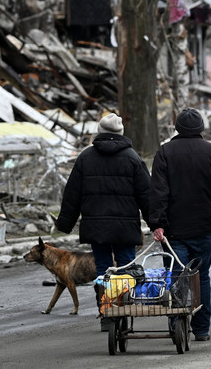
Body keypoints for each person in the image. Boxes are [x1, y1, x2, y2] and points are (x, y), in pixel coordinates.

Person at [149, 108, 211, 342]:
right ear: (201, 128)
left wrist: (157, 223)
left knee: (176, 275)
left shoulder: (165, 152)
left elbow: (158, 191)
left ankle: (176, 323)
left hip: (173, 230)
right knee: (201, 276)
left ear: (177, 128)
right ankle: (202, 329)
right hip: (204, 226)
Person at [56, 112, 151, 279]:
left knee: (103, 270)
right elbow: (146, 194)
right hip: (125, 228)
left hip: (96, 226)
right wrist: (155, 222)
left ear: (99, 131)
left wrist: (65, 223)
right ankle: (124, 304)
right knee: (127, 268)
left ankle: (104, 304)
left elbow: (72, 193)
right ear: (121, 132)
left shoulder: (86, 158)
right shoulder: (132, 158)